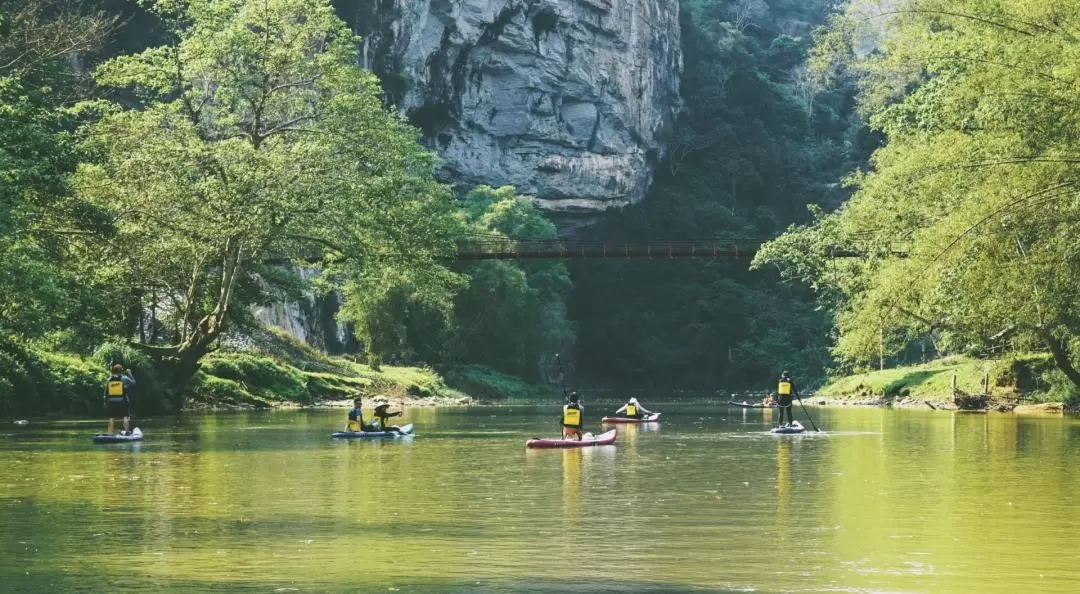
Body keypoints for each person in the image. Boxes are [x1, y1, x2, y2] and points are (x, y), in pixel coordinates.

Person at [104, 364, 136, 435]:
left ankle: (110, 433)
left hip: (111, 401)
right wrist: (129, 373)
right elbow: (133, 383)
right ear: (121, 371)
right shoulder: (124, 378)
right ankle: (127, 432)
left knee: (111, 418)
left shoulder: (109, 379)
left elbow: (106, 392)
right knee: (125, 416)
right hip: (122, 401)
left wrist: (105, 402)